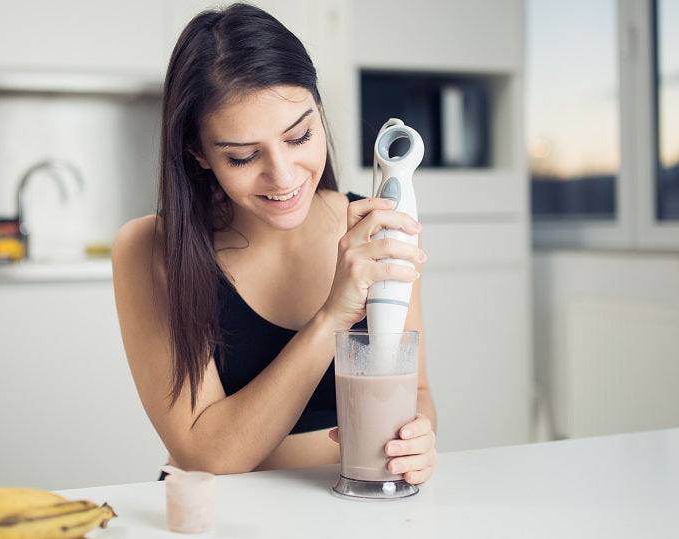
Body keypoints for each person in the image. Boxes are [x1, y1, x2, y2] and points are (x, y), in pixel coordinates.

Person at [111, 3, 437, 484]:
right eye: (243, 157)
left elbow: (418, 392)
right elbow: (207, 454)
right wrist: (333, 316)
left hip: (352, 512)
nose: (283, 177)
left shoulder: (375, 230)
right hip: (221, 527)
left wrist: (417, 440)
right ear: (198, 153)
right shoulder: (152, 249)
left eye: (300, 135)